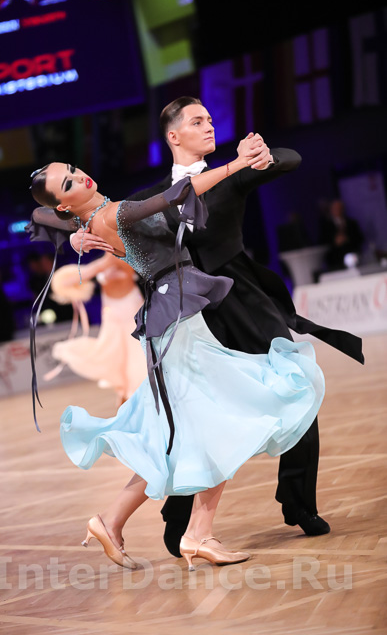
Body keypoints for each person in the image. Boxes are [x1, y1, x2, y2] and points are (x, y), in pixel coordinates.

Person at [71, 97, 364, 555]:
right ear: (174, 135)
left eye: (209, 119)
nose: (209, 126)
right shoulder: (151, 196)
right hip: (187, 312)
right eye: (197, 121)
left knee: (294, 384)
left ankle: (298, 502)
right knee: (193, 415)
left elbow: (291, 159)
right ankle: (181, 521)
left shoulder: (230, 173)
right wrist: (76, 234)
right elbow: (94, 213)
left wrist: (262, 154)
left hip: (243, 299)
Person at [28, 148, 326, 572]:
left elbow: (39, 216)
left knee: (179, 436)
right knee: (223, 422)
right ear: (64, 202)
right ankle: (195, 534)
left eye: (74, 170)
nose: (81, 176)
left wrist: (76, 232)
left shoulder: (94, 217)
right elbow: (175, 194)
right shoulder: (112, 214)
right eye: (69, 183)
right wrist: (238, 164)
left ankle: (115, 522)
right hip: (177, 321)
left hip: (176, 314)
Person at [48, 255, 147, 407]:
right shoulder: (104, 260)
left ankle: (135, 398)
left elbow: (128, 271)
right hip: (112, 317)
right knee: (114, 358)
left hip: (132, 313)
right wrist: (102, 264)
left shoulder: (126, 254)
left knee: (137, 359)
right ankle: (125, 399)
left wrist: (107, 262)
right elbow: (65, 282)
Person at [319, 198, 364, 271]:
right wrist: (334, 241)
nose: (338, 210)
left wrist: (347, 238)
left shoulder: (352, 223)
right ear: (331, 210)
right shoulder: (326, 226)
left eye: (340, 208)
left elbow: (360, 238)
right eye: (335, 208)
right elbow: (322, 242)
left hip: (353, 258)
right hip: (335, 262)